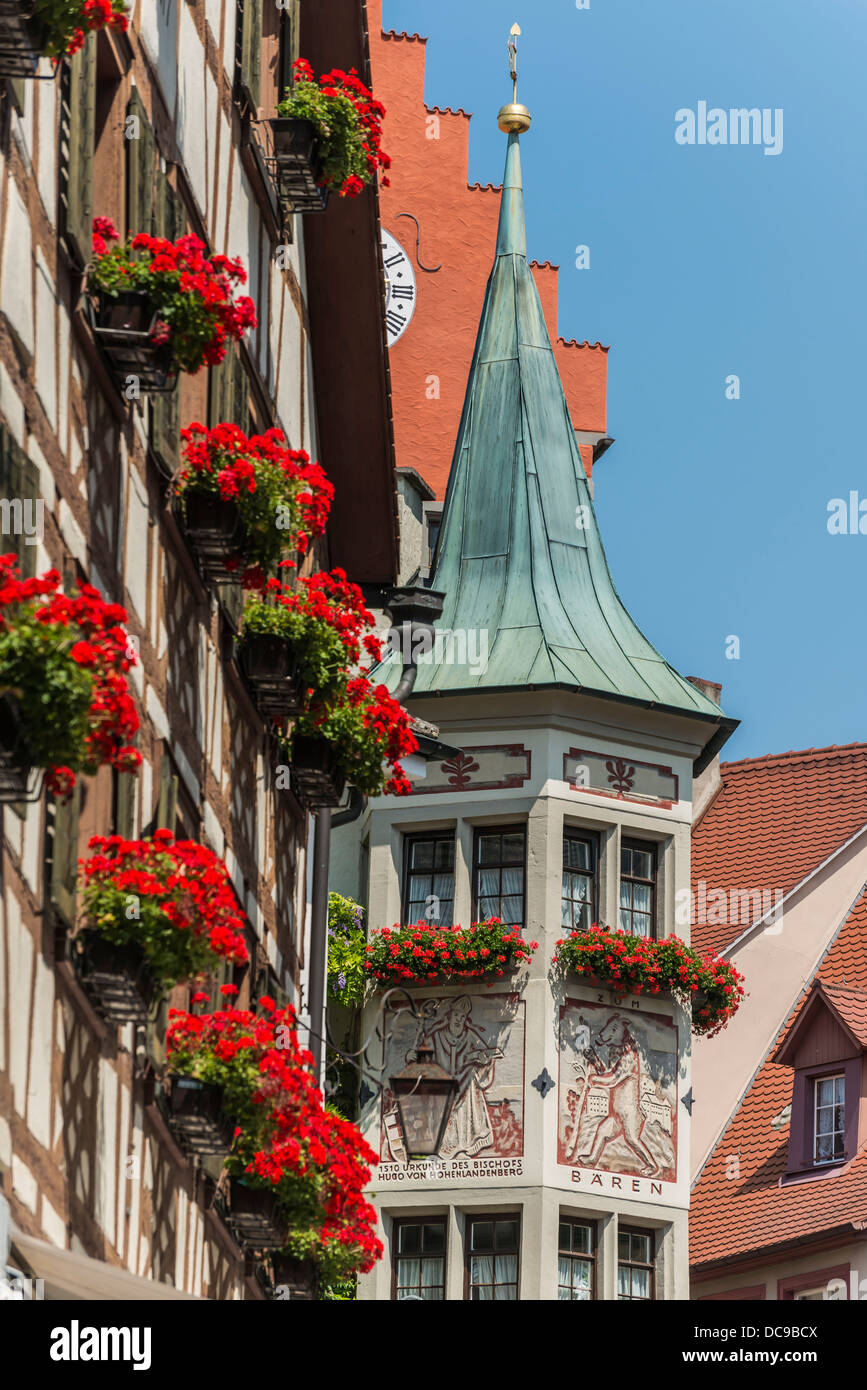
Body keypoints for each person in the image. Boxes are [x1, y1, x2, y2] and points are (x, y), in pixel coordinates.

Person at [426, 996, 503, 1159]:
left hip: (464, 1083)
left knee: (467, 1088)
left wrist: (484, 1059)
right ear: (450, 1015)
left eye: (462, 1017)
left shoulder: (470, 1035)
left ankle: (462, 1146)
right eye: (456, 1015)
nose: (458, 1019)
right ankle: (444, 1147)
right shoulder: (437, 1036)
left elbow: (484, 1053)